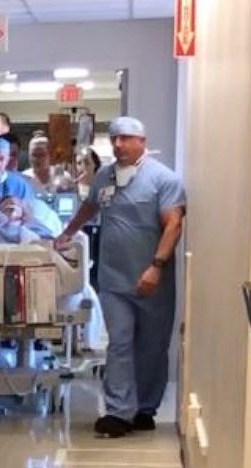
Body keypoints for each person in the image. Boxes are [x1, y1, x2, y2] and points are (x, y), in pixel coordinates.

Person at [55, 117, 186, 439]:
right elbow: (89, 207)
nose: (118, 145)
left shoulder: (163, 179)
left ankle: (144, 407)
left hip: (152, 279)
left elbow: (174, 224)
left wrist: (156, 265)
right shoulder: (104, 175)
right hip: (114, 278)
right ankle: (118, 411)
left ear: (142, 140)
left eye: (126, 139)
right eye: (114, 139)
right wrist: (66, 234)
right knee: (120, 343)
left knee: (152, 346)